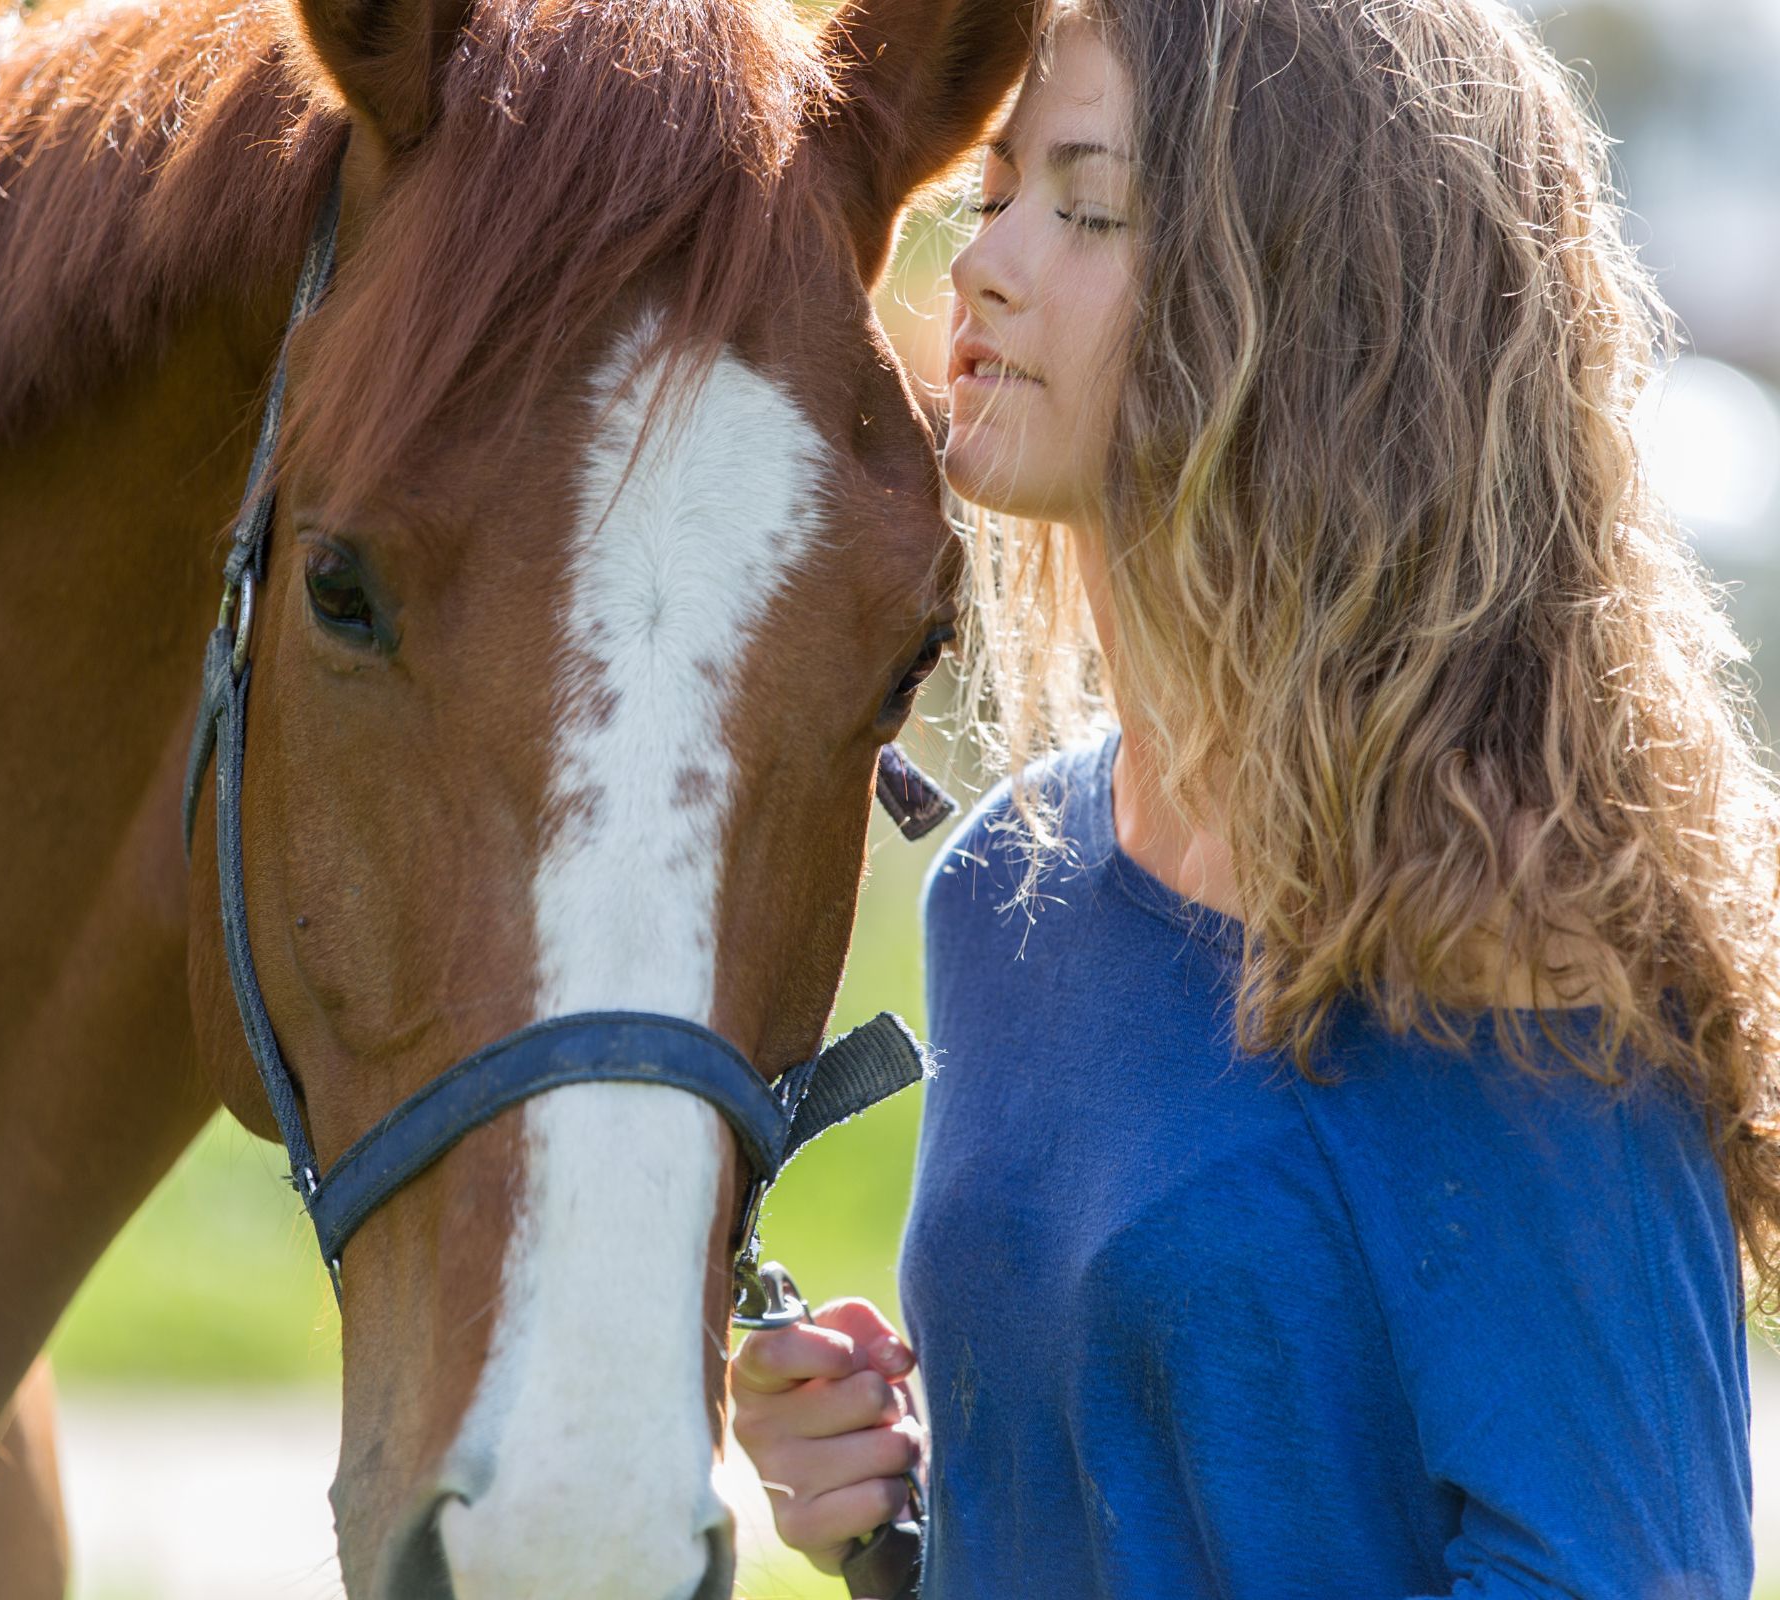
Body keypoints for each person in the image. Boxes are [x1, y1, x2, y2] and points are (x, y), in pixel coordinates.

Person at [728, 0, 1777, 1594]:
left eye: (1087, 209)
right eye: (1000, 189)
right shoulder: (1002, 893)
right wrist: (899, 1520)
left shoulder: (1505, 939)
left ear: (1308, 310)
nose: (987, 261)